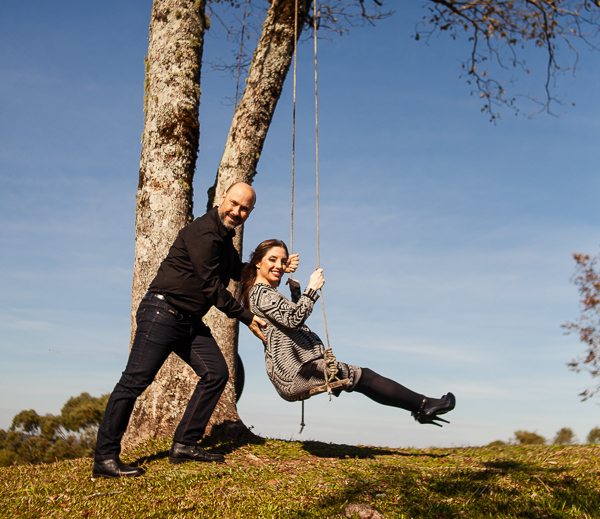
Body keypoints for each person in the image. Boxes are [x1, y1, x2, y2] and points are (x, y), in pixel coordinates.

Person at [93, 183, 270, 478]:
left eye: (244, 209)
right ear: (222, 198)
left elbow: (234, 270)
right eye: (234, 203)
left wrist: (271, 266)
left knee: (216, 374)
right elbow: (211, 287)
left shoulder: (224, 238)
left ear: (250, 213)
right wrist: (246, 317)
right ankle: (105, 457)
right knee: (134, 382)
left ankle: (185, 444)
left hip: (188, 320)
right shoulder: (204, 231)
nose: (237, 211)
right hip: (162, 313)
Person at [242, 239, 456, 426]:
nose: (278, 266)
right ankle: (423, 405)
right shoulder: (262, 293)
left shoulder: (265, 293)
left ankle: (421, 406)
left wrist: (296, 292)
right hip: (298, 371)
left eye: (283, 261)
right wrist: (311, 288)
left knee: (362, 379)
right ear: (257, 262)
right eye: (272, 260)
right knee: (365, 377)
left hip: (298, 369)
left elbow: (289, 320)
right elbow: (294, 319)